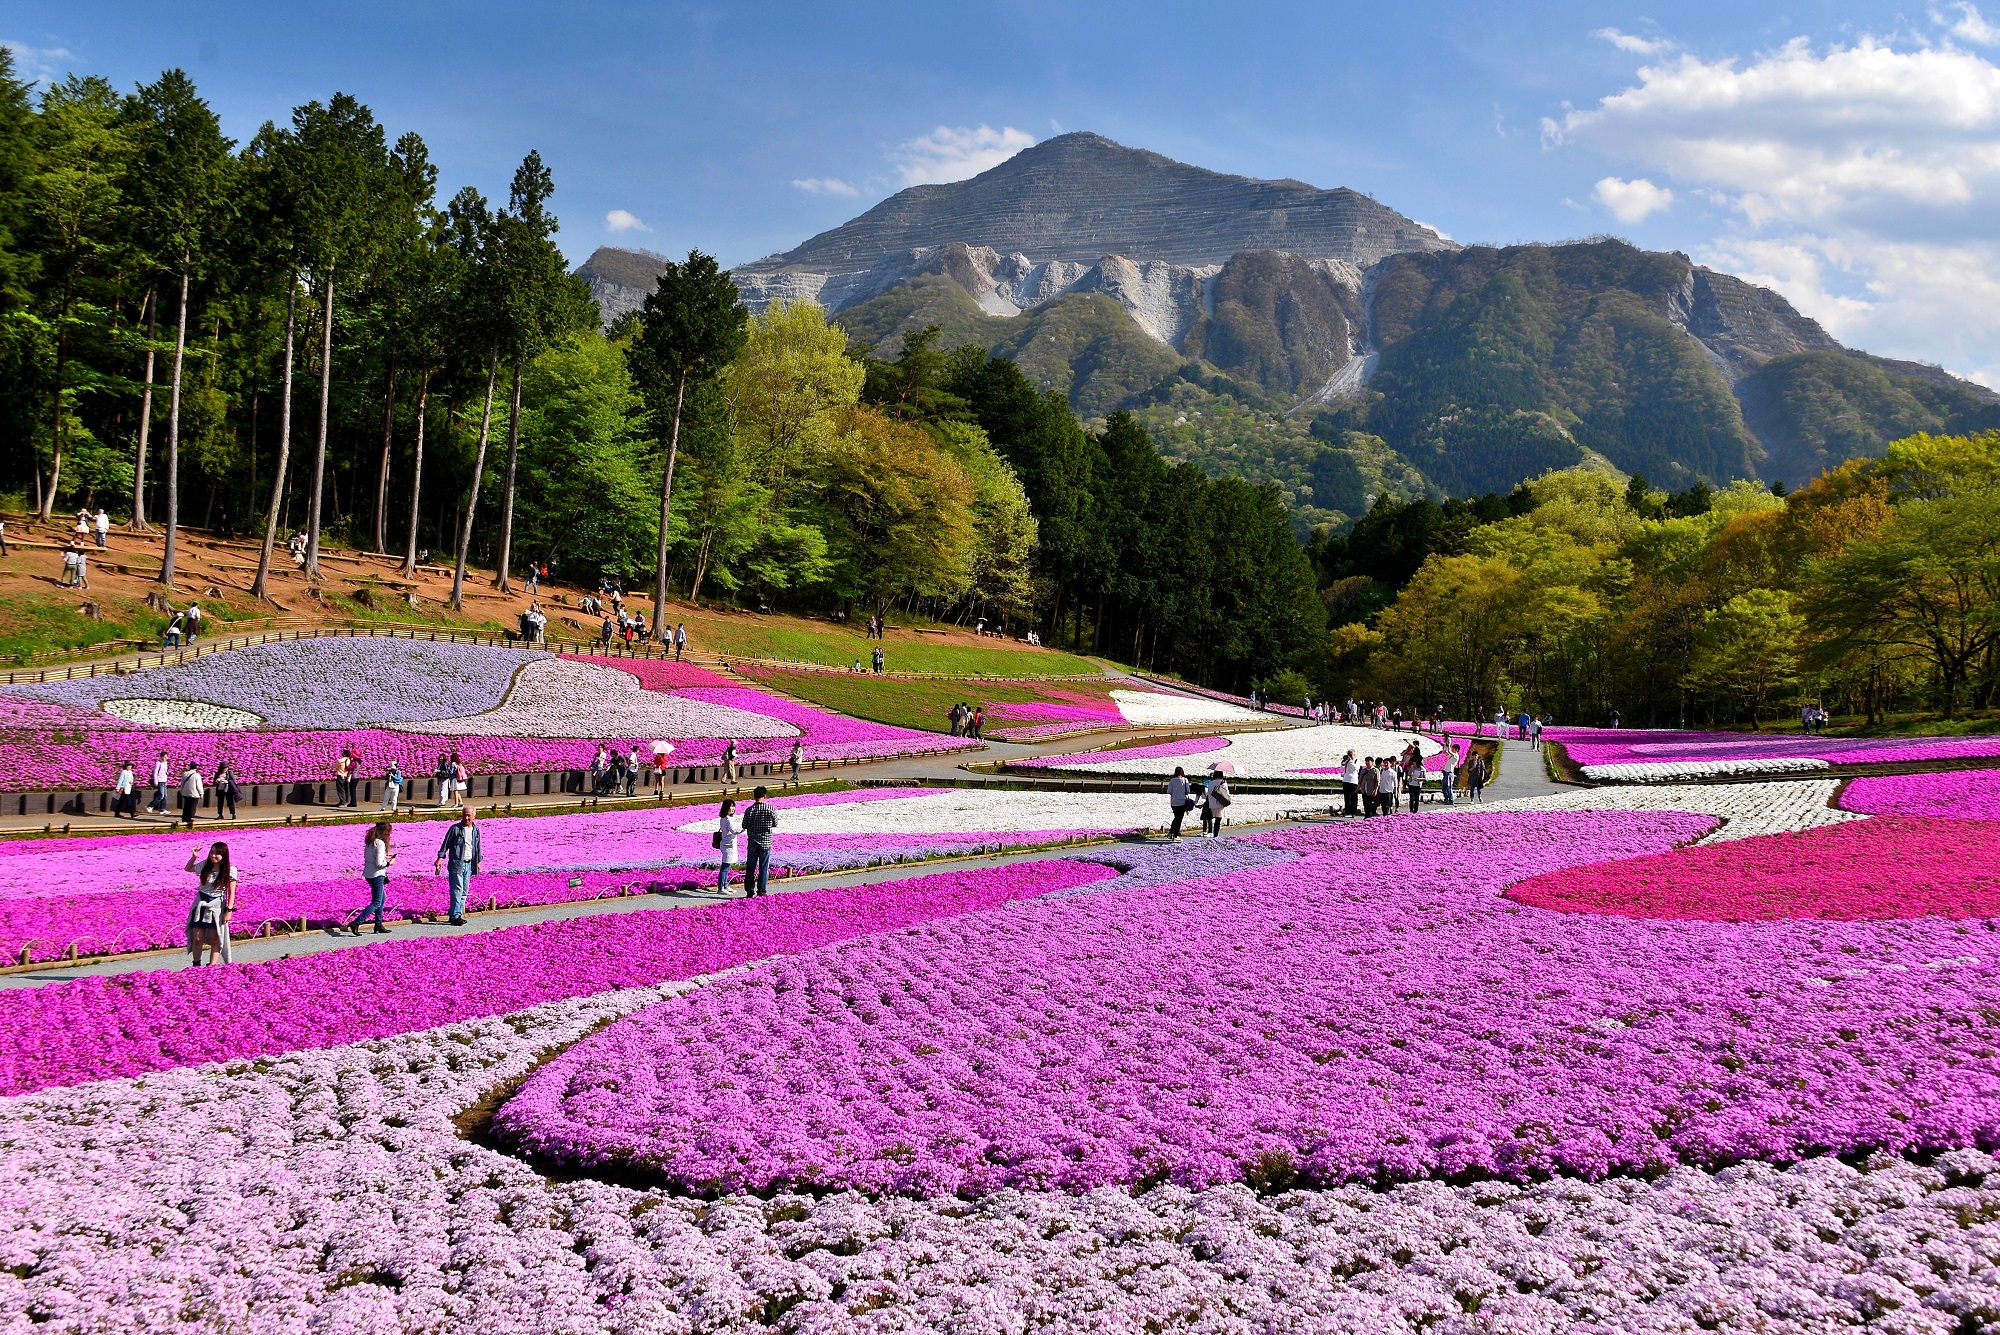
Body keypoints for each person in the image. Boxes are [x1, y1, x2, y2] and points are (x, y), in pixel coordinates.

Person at [184, 842, 236, 966]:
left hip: (216, 906)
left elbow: (232, 892)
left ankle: (211, 968)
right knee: (197, 938)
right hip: (200, 904)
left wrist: (229, 911)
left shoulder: (230, 870)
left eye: (217, 853)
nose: (213, 856)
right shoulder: (205, 865)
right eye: (212, 852)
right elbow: (188, 868)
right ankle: (196, 965)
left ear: (224, 854)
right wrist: (194, 856)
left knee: (215, 938)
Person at [433, 806, 481, 926]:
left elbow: (478, 847)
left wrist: (478, 862)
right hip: (456, 864)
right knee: (457, 890)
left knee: (464, 891)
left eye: (469, 815)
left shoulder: (476, 830)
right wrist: (440, 858)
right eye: (464, 815)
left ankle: (458, 914)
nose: (466, 817)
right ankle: (454, 916)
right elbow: (446, 844)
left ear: (474, 816)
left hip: (469, 864)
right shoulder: (455, 829)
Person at [351, 822, 395, 935]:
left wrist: (385, 856)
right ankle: (356, 922)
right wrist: (389, 863)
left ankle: (378, 924)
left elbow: (371, 857)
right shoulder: (380, 843)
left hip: (368, 874)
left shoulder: (370, 842)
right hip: (377, 875)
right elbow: (379, 863)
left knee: (382, 898)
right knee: (376, 902)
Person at [740, 786, 778, 895]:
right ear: (765, 796)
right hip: (766, 842)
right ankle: (762, 890)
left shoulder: (749, 810)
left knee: (750, 867)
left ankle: (749, 891)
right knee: (763, 867)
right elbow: (775, 823)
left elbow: (744, 825)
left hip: (752, 842)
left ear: (754, 796)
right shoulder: (771, 809)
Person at [714, 797, 738, 895]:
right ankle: (721, 887)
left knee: (727, 866)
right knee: (725, 867)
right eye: (731, 806)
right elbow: (734, 830)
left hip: (727, 844)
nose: (733, 808)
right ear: (726, 808)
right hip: (727, 845)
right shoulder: (727, 819)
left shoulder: (725, 818)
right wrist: (745, 827)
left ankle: (725, 885)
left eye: (733, 806)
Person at [1203, 768, 1232, 836]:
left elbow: (1208, 793)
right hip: (1220, 803)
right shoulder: (1223, 782)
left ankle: (1213, 834)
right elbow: (1226, 793)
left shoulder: (1211, 782)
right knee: (1218, 820)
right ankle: (1215, 835)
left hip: (1212, 804)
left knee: (1214, 819)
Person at [177, 761, 206, 828]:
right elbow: (199, 785)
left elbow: (182, 784)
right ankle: (190, 820)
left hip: (185, 793)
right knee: (192, 807)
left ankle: (184, 819)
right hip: (194, 793)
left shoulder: (185, 774)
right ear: (196, 767)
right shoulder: (197, 775)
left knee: (186, 806)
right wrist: (201, 793)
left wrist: (182, 791)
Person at [1166, 766, 1192, 839]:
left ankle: (1171, 832)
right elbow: (1188, 791)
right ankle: (1175, 835)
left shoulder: (1172, 780)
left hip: (1173, 802)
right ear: (1182, 772)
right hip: (1182, 802)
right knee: (1179, 819)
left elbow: (1169, 791)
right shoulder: (1185, 780)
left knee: (1176, 817)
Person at [1340, 750, 1361, 817]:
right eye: (1349, 755)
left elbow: (1356, 768)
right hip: (1346, 780)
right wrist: (1345, 761)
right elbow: (1342, 768)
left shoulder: (1357, 761)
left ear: (1354, 755)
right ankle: (1347, 812)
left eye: (1351, 755)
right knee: (1347, 797)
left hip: (1353, 781)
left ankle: (1353, 812)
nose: (1350, 756)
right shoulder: (1347, 761)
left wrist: (1351, 761)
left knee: (1354, 797)